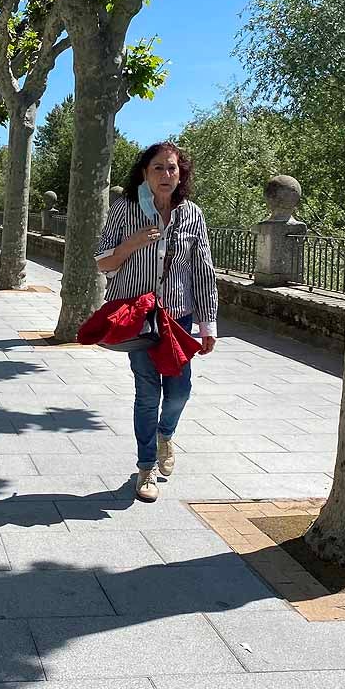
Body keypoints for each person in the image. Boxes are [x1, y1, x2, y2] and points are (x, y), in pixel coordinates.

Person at [95, 142, 217, 503]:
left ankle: (166, 434)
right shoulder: (125, 209)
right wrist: (129, 245)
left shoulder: (191, 214)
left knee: (180, 391)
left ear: (182, 174)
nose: (166, 175)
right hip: (139, 316)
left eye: (173, 168)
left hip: (178, 317)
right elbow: (103, 262)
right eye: (158, 168)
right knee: (147, 393)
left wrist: (208, 326)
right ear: (145, 173)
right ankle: (146, 467)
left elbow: (204, 272)